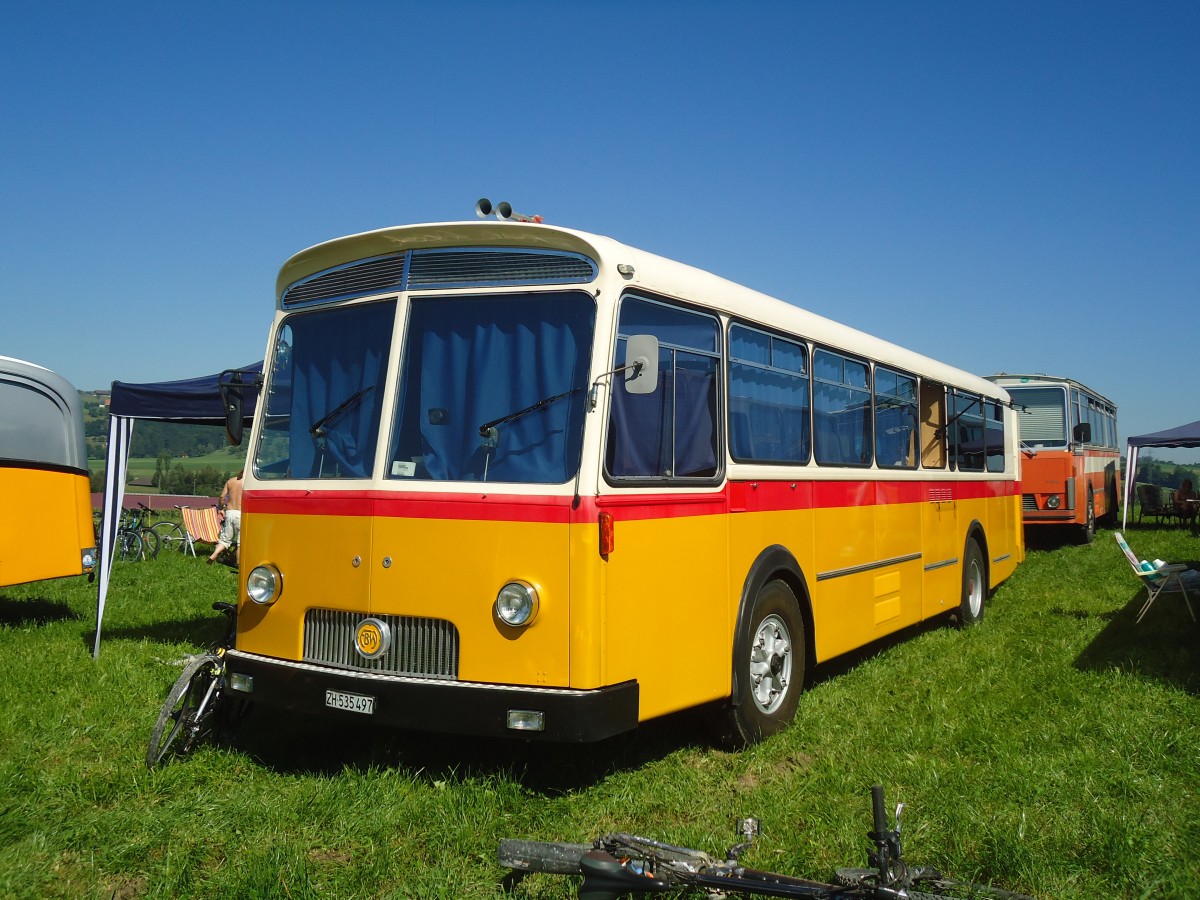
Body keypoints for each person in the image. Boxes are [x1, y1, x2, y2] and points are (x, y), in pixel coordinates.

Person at [209, 470, 244, 564]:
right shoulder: (247, 483)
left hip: (230, 512)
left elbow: (222, 497)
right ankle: (238, 564)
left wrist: (220, 509)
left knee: (225, 539)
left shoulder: (230, 481)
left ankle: (214, 554)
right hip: (241, 513)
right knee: (241, 542)